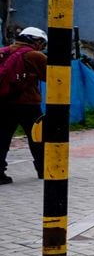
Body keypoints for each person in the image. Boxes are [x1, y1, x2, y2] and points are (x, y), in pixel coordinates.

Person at [0, 26, 47, 183]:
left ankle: (0, 173)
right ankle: (44, 169)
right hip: (28, 103)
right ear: (37, 41)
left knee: (3, 137)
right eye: (43, 44)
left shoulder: (3, 51)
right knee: (38, 137)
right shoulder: (34, 55)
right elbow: (52, 75)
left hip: (4, 102)